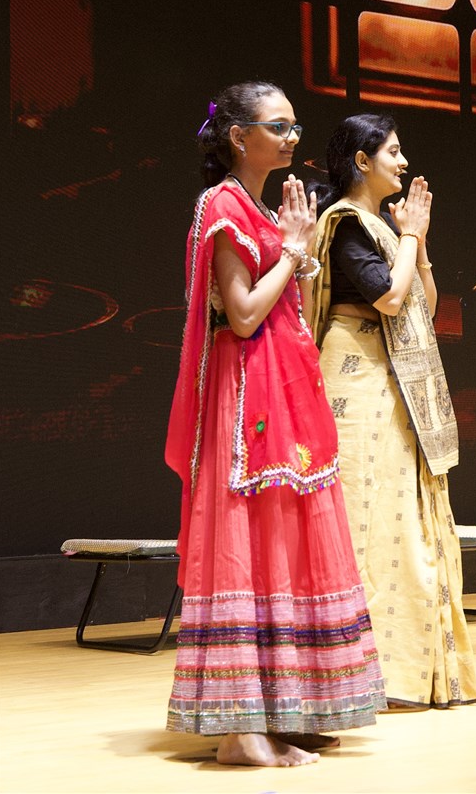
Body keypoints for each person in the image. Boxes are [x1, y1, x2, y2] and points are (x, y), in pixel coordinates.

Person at [164, 82, 385, 766]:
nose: (292, 138)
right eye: (278, 126)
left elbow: (287, 305)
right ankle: (240, 727)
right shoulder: (222, 205)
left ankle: (289, 708)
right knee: (249, 536)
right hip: (246, 400)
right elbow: (242, 315)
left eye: (294, 127)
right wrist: (292, 251)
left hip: (286, 388)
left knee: (286, 538)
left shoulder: (262, 207)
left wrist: (297, 249)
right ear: (239, 136)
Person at [307, 114, 476, 709]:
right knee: (372, 517)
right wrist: (408, 237)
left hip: (392, 377)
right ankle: (365, 673)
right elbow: (388, 296)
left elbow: (421, 305)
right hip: (357, 380)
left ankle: (409, 671)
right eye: (393, 152)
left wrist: (418, 243)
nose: (404, 163)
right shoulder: (346, 223)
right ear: (362, 161)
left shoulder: (382, 226)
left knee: (406, 518)